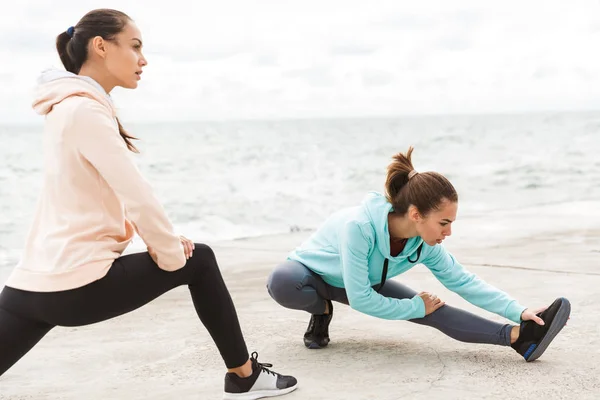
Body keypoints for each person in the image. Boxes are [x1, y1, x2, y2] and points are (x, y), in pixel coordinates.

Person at [0, 9, 297, 399]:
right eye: (136, 46)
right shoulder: (86, 110)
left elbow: (89, 197)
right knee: (200, 261)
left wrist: (165, 241)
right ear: (101, 47)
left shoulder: (63, 108)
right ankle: (244, 376)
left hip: (28, 287)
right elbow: (136, 194)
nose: (144, 59)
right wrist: (171, 253)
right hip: (74, 287)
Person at [267, 146, 570, 362]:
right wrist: (415, 307)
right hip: (311, 276)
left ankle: (520, 338)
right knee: (282, 281)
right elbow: (361, 300)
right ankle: (320, 312)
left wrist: (517, 310)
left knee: (433, 310)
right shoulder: (358, 228)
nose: (448, 232)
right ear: (415, 214)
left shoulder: (424, 242)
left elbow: (462, 280)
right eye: (443, 223)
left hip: (360, 283)